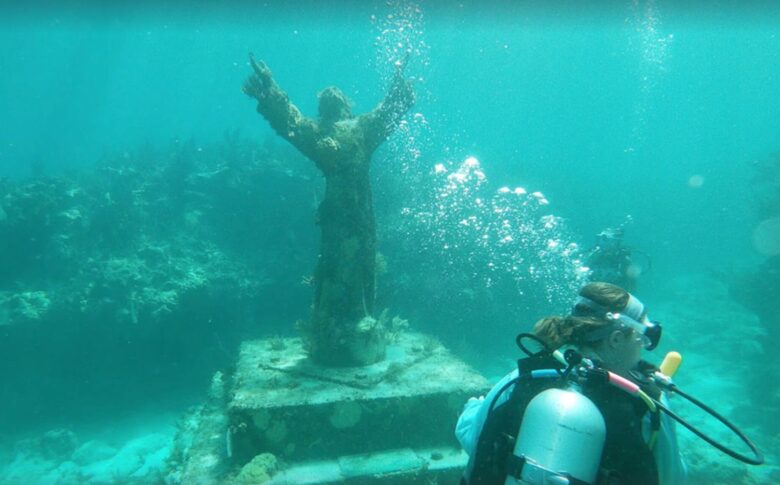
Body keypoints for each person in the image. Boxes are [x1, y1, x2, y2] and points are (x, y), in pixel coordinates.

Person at [456, 282, 686, 485]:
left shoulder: (524, 377)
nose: (642, 350)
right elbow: (672, 478)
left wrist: (472, 408)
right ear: (616, 339)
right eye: (642, 339)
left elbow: (474, 439)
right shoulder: (645, 406)